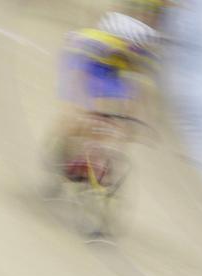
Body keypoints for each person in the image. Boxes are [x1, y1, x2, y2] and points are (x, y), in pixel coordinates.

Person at [53, 2, 162, 182]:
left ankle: (93, 158)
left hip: (113, 68)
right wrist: (81, 108)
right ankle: (66, 146)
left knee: (112, 120)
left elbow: (141, 90)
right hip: (87, 61)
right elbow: (76, 76)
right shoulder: (96, 43)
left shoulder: (143, 57)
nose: (132, 51)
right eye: (128, 48)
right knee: (82, 114)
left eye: (135, 50)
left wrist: (135, 120)